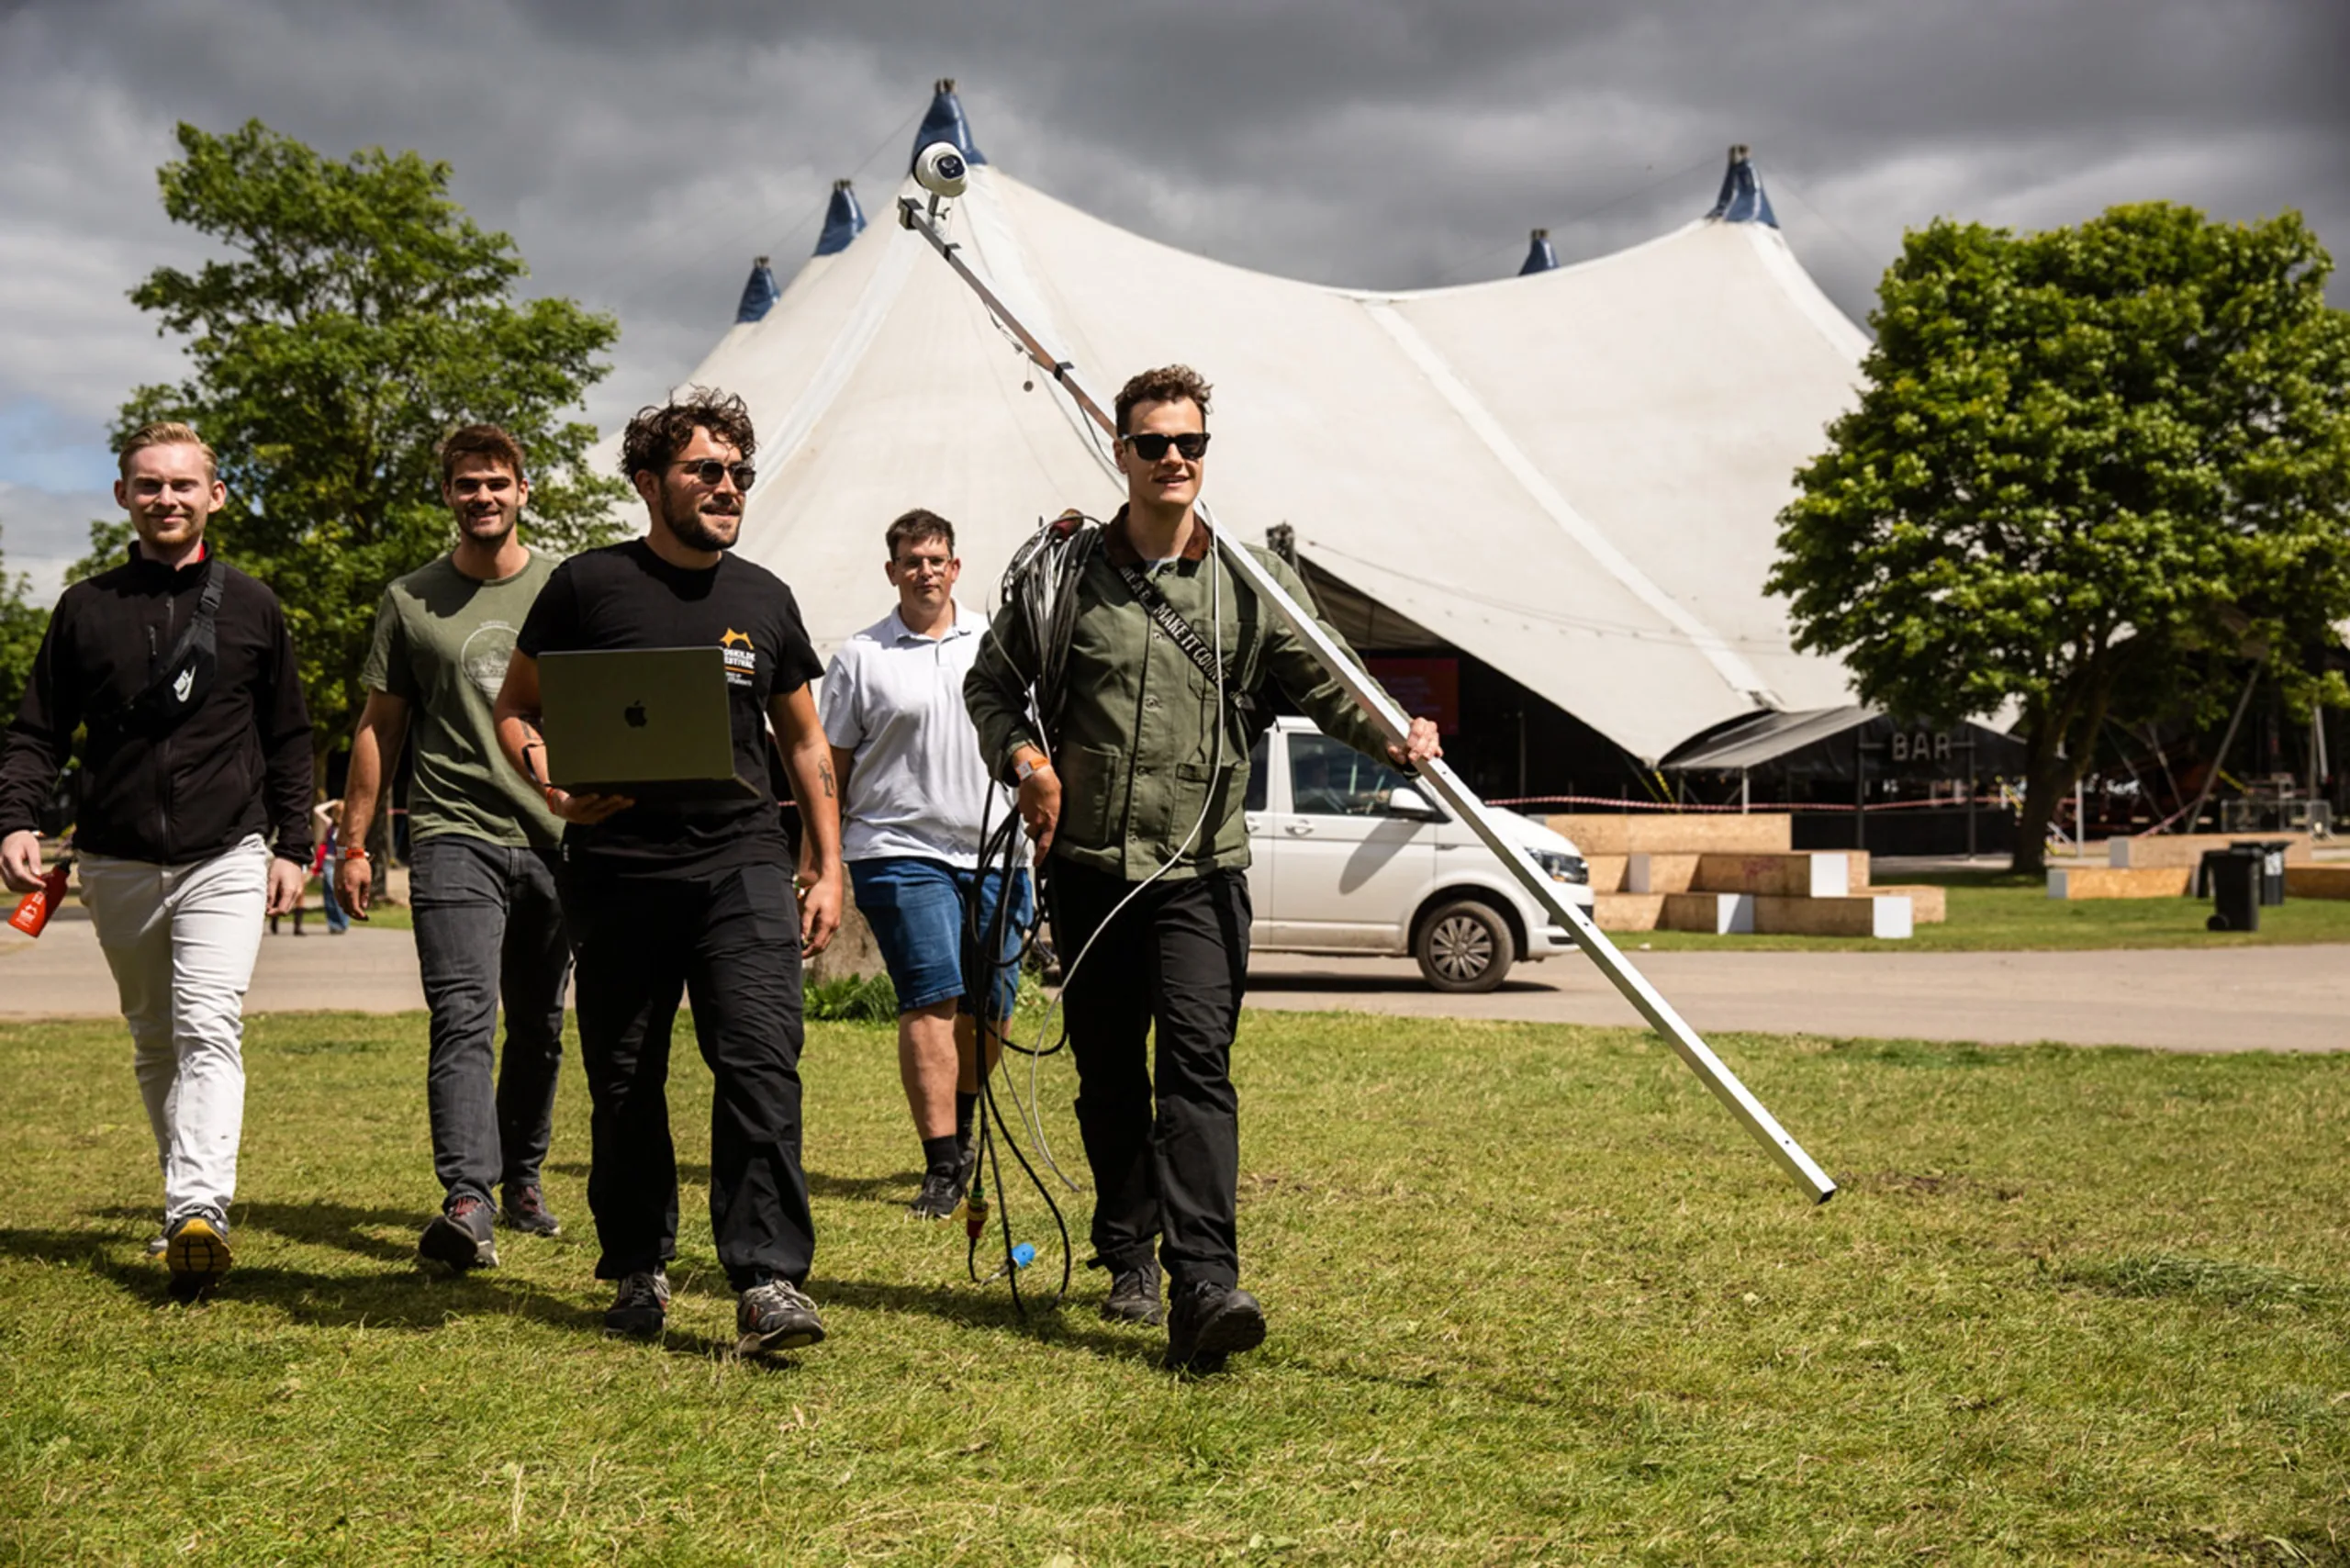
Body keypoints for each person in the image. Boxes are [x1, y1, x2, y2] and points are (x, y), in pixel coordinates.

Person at [966, 365, 1441, 1372]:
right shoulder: (1061, 576)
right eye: (1152, 444)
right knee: (1107, 1076)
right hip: (1091, 869)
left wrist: (1394, 732)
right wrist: (1025, 759)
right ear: (1119, 451)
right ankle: (1126, 1249)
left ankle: (1204, 1283)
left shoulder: (1251, 580)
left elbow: (1324, 676)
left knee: (1196, 1071)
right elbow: (992, 687)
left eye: (1190, 444)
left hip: (1203, 868)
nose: (1173, 459)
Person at [491, 388, 845, 1357]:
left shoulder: (765, 598)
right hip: (617, 871)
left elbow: (805, 740)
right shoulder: (585, 587)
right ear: (650, 482)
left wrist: (828, 863)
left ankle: (767, 1278)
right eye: (705, 470)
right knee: (623, 1077)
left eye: (738, 472)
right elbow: (517, 709)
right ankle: (637, 1264)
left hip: (740, 865)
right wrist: (551, 784)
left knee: (761, 1064)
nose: (728, 487)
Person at [0, 421, 312, 1301]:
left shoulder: (253, 604)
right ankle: (187, 1206)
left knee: (210, 1023)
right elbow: (36, 733)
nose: (166, 499)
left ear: (215, 496)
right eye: (149, 485)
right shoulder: (83, 608)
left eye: (183, 485)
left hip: (227, 851)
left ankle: (197, 1209)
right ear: (123, 498)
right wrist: (16, 818)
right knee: (154, 1039)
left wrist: (295, 844)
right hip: (116, 859)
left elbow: (289, 738)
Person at [337, 424, 571, 1273]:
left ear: (522, 490)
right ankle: (468, 1199)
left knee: (541, 1025)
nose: (483, 497)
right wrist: (356, 843)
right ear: (448, 494)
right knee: (464, 1018)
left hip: (554, 834)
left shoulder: (562, 589)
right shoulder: (411, 601)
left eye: (497, 483)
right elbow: (380, 726)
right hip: (450, 831)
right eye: (467, 484)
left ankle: (524, 1179)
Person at [818, 509, 1029, 1220]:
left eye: (937, 558)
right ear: (892, 571)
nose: (926, 570)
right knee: (931, 996)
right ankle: (942, 1164)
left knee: (992, 1006)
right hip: (897, 848)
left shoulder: (999, 646)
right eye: (912, 560)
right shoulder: (860, 656)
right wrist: (824, 859)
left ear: (956, 568)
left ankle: (961, 1123)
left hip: (999, 847)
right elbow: (830, 765)